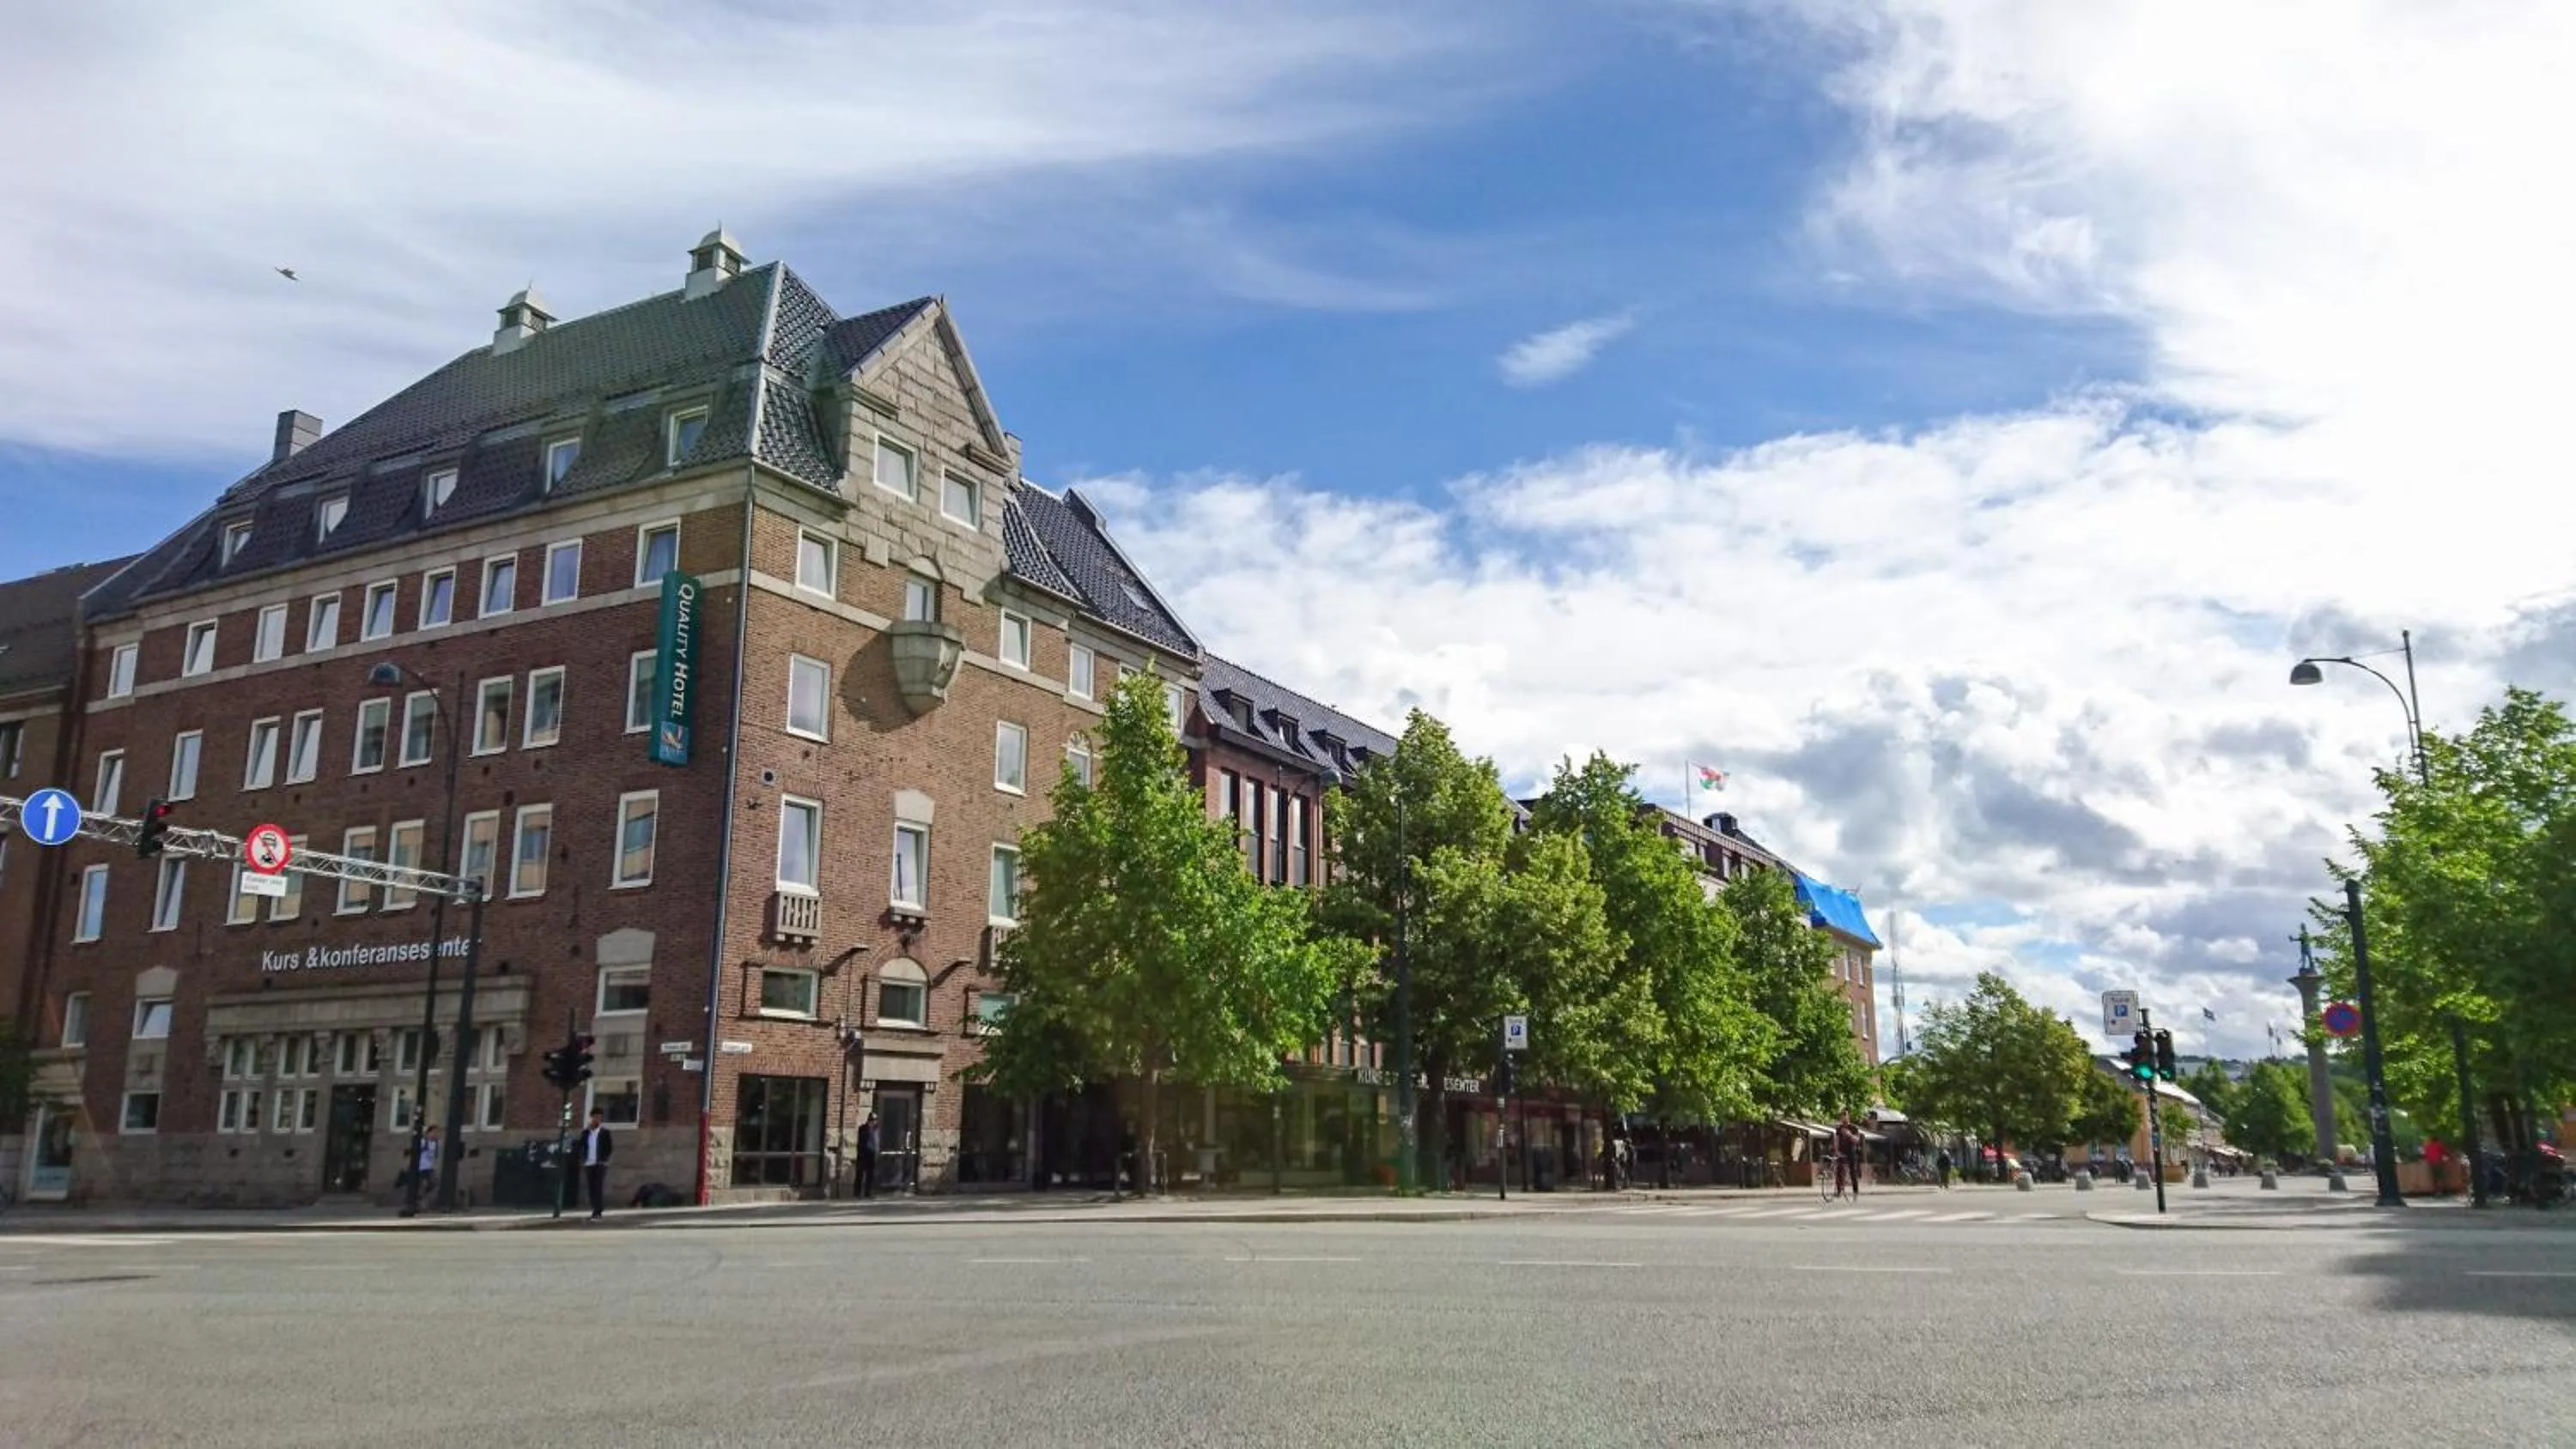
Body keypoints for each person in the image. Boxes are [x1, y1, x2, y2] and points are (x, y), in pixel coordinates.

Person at [579, 1108, 614, 1220]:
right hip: (589, 1163)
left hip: (600, 1163)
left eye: (599, 1118)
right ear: (592, 1118)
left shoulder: (605, 1133)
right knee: (591, 1187)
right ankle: (594, 1208)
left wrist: (605, 1158)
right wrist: (583, 1158)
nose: (597, 1120)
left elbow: (609, 1147)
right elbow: (581, 1145)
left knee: (598, 1187)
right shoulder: (586, 1133)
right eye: (595, 1117)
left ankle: (598, 1211)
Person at [1833, 1114, 1864, 1197]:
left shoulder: (1854, 1128)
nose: (1843, 1119)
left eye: (1845, 1117)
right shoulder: (1839, 1128)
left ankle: (1855, 1191)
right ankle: (1839, 1191)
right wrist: (1836, 1151)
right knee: (1839, 1171)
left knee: (1852, 1172)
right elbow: (1837, 1140)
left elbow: (1857, 1140)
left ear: (1848, 1118)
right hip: (1842, 1152)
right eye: (1842, 1117)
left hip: (1851, 1152)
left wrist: (1849, 1134)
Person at [855, 1112, 879, 1199]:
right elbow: (860, 1142)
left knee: (871, 1175)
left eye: (875, 1120)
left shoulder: (876, 1130)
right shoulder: (863, 1129)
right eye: (872, 1120)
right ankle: (858, 1193)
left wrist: (876, 1151)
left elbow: (876, 1142)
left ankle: (868, 1192)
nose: (874, 1122)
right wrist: (860, 1152)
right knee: (860, 1174)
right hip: (863, 1154)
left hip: (872, 1154)